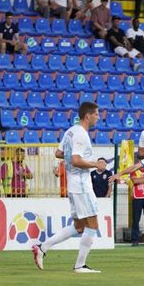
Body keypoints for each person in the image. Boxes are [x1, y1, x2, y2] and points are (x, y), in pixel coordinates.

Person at [33, 102, 103, 274]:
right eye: (96, 114)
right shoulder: (81, 134)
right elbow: (77, 160)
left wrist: (71, 155)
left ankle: (42, 247)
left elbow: (58, 153)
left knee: (79, 226)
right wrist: (94, 164)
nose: (98, 117)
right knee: (93, 225)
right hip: (81, 185)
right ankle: (80, 265)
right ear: (88, 116)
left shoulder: (70, 131)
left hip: (73, 185)